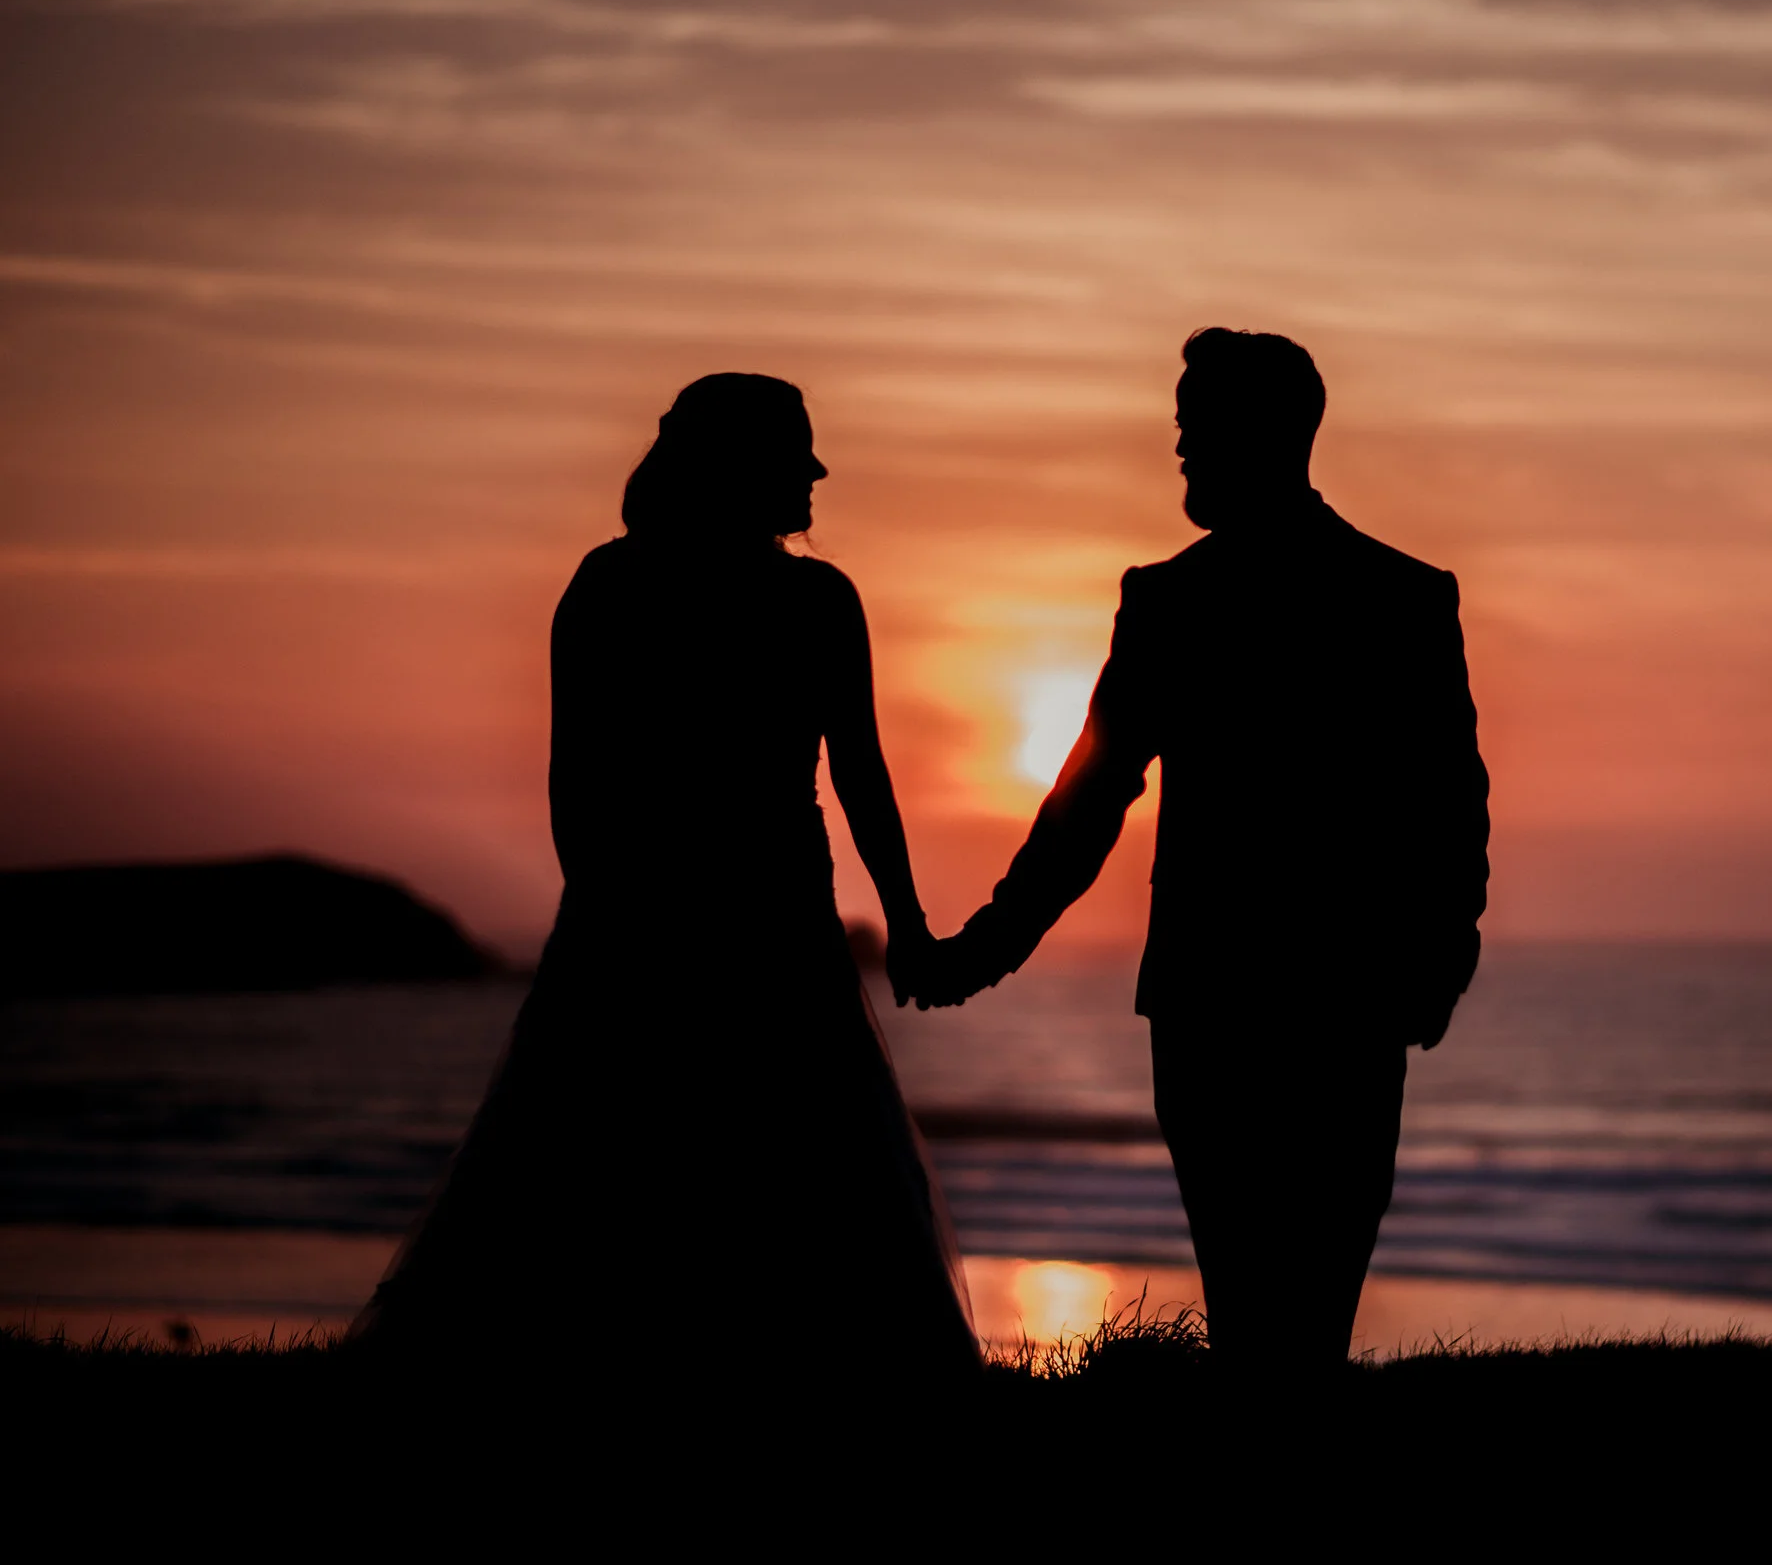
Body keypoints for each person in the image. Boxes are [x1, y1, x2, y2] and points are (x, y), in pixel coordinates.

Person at [354, 373, 978, 1382]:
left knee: (661, 1150)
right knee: (720, 1153)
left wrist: (904, 922)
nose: (818, 472)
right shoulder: (696, 592)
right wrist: (899, 923)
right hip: (706, 922)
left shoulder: (662, 587)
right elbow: (591, 780)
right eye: (795, 453)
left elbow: (851, 775)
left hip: (730, 922)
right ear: (736, 466)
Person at [920, 328, 1491, 1371]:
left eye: (1197, 426)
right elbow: (1090, 802)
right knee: (1282, 1309)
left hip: (1283, 995)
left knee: (1278, 1307)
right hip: (1274, 999)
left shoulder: (1334, 599)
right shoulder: (1365, 594)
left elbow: (1448, 801)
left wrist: (982, 950)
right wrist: (983, 950)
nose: (1179, 446)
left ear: (1265, 433)